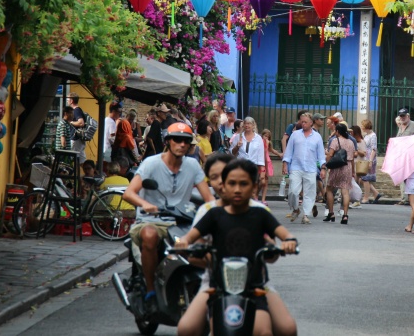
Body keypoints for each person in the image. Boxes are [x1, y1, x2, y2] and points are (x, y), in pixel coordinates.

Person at [176, 158, 298, 336]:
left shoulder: (260, 213)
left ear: (254, 187)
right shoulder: (212, 214)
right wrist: (183, 244)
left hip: (255, 287)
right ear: (222, 185)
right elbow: (189, 238)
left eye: (244, 184)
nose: (237, 189)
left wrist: (288, 242)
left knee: (281, 330)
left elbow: (284, 235)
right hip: (217, 287)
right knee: (186, 329)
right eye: (231, 183)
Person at [122, 122, 214, 313]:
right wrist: (146, 204)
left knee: (208, 246)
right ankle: (150, 291)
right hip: (152, 221)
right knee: (149, 235)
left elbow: (208, 198)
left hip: (182, 221)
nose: (182, 144)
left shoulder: (192, 165)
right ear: (168, 141)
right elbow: (129, 193)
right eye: (177, 140)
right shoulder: (151, 163)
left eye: (186, 141)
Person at [282, 112, 326, 224]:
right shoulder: (295, 135)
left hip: (310, 168)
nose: (303, 124)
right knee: (293, 191)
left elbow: (321, 155)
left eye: (305, 122)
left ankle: (306, 215)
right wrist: (285, 163)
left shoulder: (317, 137)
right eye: (302, 121)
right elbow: (288, 151)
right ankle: (296, 209)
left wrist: (323, 168)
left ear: (311, 123)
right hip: (296, 167)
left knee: (310, 193)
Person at [324, 122, 354, 224]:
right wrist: (353, 171)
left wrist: (326, 164)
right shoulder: (351, 142)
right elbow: (353, 158)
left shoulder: (335, 141)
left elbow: (330, 154)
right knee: (345, 192)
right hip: (348, 167)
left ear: (337, 131)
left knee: (329, 189)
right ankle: (345, 215)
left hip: (337, 167)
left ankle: (331, 213)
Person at [231, 117, 267, 201]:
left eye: (249, 124)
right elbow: (232, 152)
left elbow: (260, 155)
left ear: (253, 125)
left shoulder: (258, 138)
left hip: (253, 167)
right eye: (246, 123)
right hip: (241, 167)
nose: (247, 125)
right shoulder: (238, 137)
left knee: (253, 190)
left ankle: (253, 206)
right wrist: (237, 146)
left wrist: (262, 171)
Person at [395, 108, 414, 205]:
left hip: (413, 156)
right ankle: (405, 198)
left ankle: (412, 198)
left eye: (403, 116)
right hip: (403, 156)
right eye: (401, 116)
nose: (402, 118)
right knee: (403, 176)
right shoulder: (400, 127)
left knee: (411, 176)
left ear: (408, 116)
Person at [358, 119, 382, 203]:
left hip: (369, 159)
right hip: (365, 158)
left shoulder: (372, 136)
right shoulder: (366, 135)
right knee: (362, 178)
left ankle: (366, 197)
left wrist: (370, 161)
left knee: (365, 179)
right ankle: (376, 193)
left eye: (362, 126)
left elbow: (374, 149)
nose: (361, 127)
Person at [349, 125, 367, 208]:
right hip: (354, 163)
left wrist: (356, 150)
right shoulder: (353, 141)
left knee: (355, 182)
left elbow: (364, 153)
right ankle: (354, 199)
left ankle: (356, 200)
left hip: (358, 164)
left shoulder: (361, 142)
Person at [260, 129, 277, 204]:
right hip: (262, 163)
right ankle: (256, 196)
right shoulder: (260, 143)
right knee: (260, 181)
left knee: (265, 182)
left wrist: (280, 154)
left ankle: (263, 199)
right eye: (265, 136)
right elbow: (263, 152)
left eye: (268, 137)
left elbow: (272, 150)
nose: (266, 138)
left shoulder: (268, 144)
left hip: (267, 162)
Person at [68, 92, 87, 160]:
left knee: (74, 159)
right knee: (81, 160)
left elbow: (81, 123)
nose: (67, 101)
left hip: (76, 138)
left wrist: (70, 122)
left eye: (68, 99)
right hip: (78, 139)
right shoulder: (77, 110)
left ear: (71, 101)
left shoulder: (76, 110)